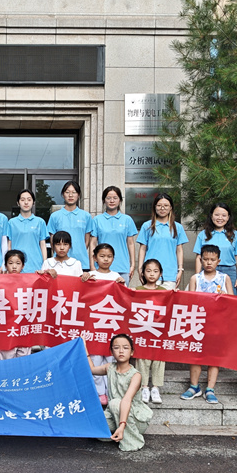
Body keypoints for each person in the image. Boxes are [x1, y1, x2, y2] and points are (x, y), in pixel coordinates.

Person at [181, 244, 233, 404]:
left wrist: (225, 297)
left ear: (218, 261)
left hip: (218, 324)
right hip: (198, 323)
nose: (209, 262)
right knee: (195, 355)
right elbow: (189, 301)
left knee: (214, 357)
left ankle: (210, 388)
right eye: (206, 259)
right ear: (201, 260)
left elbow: (233, 302)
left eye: (212, 259)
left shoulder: (224, 278)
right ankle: (194, 386)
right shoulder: (195, 278)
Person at [86, 334, 153, 452]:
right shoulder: (109, 368)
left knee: (115, 403)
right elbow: (92, 369)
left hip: (135, 418)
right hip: (114, 413)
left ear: (132, 352)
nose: (121, 351)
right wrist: (85, 349)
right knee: (93, 423)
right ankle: (118, 434)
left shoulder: (135, 375)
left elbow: (126, 400)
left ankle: (132, 440)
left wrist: (122, 425)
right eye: (116, 348)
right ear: (112, 352)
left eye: (125, 348)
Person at [82, 243, 125, 405]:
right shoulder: (90, 275)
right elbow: (81, 295)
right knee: (95, 359)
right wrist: (83, 280)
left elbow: (124, 300)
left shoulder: (116, 276)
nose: (105, 259)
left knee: (111, 358)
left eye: (109, 256)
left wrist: (122, 285)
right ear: (94, 258)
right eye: (102, 256)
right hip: (94, 325)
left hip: (111, 324)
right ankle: (99, 392)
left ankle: (111, 392)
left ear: (113, 258)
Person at [136, 192, 188, 289]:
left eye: (166, 205)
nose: (162, 208)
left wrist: (180, 269)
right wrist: (140, 269)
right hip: (150, 272)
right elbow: (142, 248)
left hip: (170, 273)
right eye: (159, 205)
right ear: (155, 207)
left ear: (171, 207)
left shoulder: (177, 227)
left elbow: (179, 249)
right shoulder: (147, 226)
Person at [193, 202, 237, 294]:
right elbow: (198, 257)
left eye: (224, 215)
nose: (220, 218)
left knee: (230, 299)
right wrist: (198, 276)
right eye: (217, 215)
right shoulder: (203, 234)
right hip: (208, 270)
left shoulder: (235, 235)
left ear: (228, 217)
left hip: (229, 271)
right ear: (211, 216)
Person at [89, 186, 137, 284]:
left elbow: (131, 243)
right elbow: (93, 243)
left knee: (121, 293)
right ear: (104, 200)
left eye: (115, 198)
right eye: (108, 198)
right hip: (101, 267)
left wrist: (132, 265)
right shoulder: (97, 220)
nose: (112, 201)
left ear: (120, 200)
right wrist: (92, 265)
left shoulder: (127, 219)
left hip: (122, 267)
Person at [136, 258, 167, 404]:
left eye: (155, 271)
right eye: (148, 271)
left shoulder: (165, 291)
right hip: (142, 330)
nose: (152, 274)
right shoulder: (137, 290)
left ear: (160, 274)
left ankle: (155, 388)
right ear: (142, 273)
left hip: (158, 331)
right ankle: (144, 387)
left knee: (159, 358)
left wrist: (175, 294)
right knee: (142, 358)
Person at [47, 180, 92, 270]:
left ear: (78, 195)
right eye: (67, 192)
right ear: (63, 195)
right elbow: (52, 241)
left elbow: (87, 241)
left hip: (81, 262)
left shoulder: (86, 216)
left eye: (74, 192)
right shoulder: (55, 216)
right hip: (59, 263)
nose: (70, 195)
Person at [0, 250, 33, 361]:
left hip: (23, 325)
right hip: (7, 326)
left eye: (18, 263)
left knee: (24, 358)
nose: (14, 266)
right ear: (5, 265)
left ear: (23, 266)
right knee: (7, 358)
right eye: (10, 263)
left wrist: (43, 274)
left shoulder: (30, 281)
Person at [6, 189, 48, 274]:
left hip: (36, 265)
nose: (26, 202)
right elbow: (9, 245)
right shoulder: (11, 222)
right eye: (22, 200)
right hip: (16, 266)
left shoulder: (40, 222)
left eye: (29, 200)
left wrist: (45, 264)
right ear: (18, 203)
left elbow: (43, 245)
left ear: (33, 202)